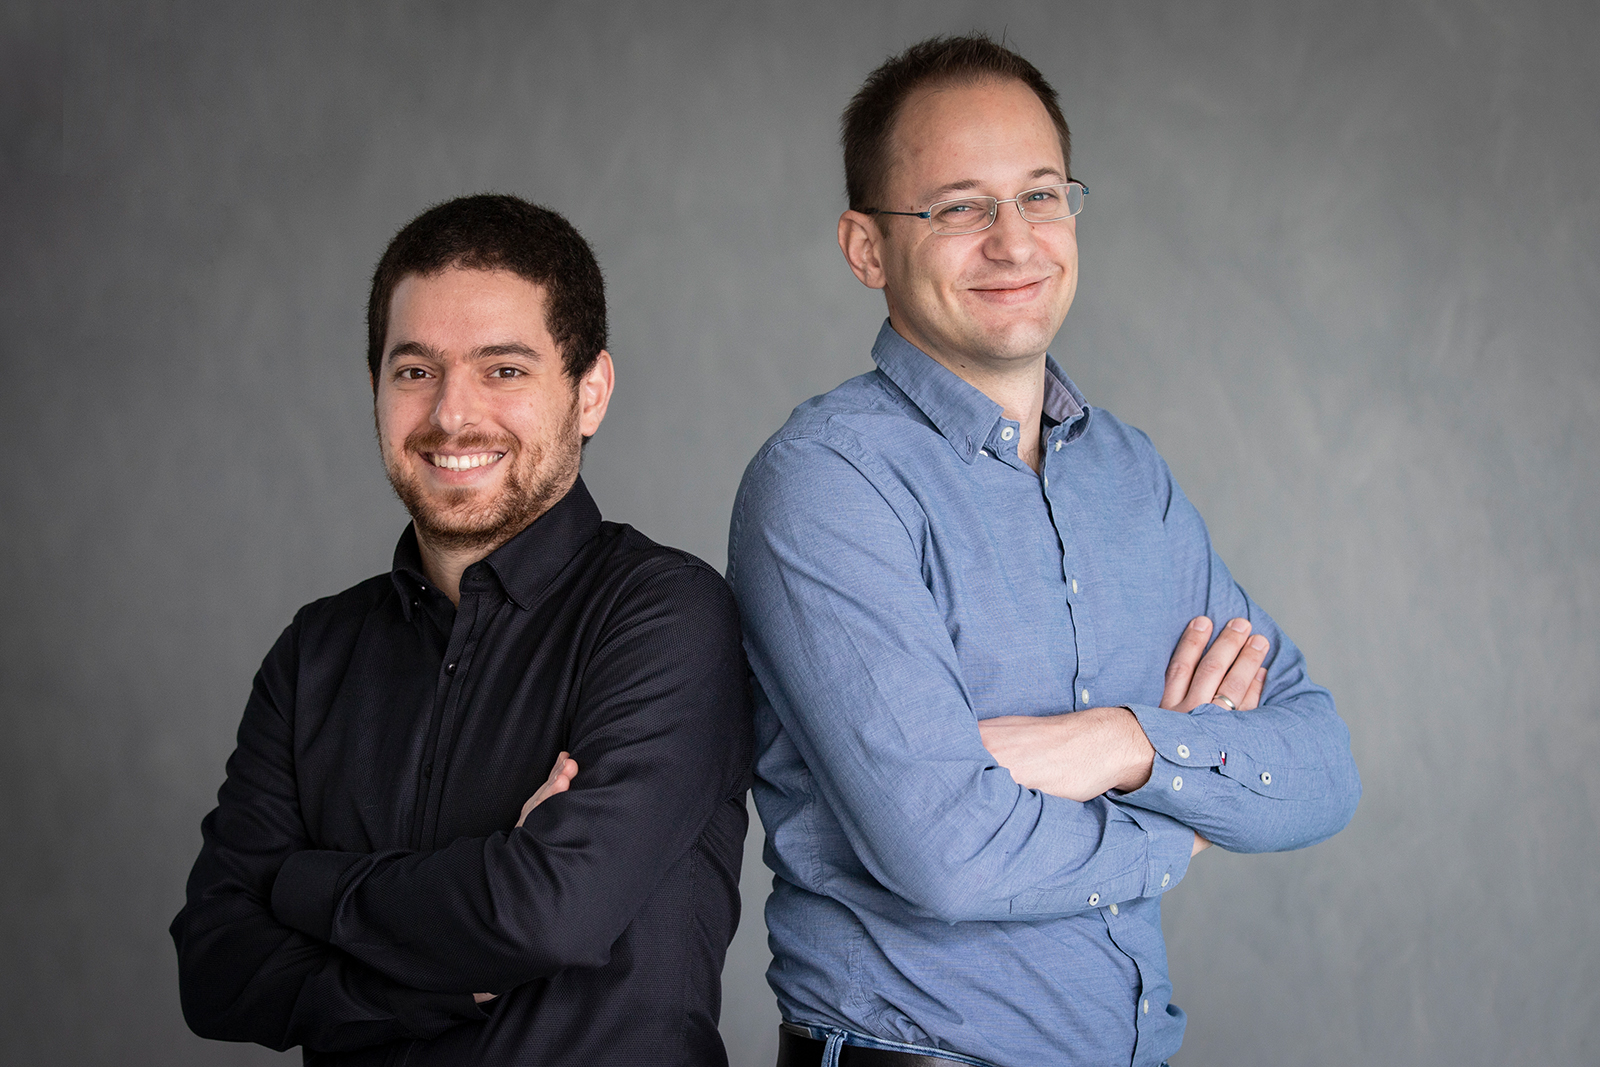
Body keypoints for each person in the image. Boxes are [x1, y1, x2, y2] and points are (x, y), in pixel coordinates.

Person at [727, 35, 1360, 1067]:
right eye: (959, 207)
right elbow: (948, 853)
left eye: (1040, 196)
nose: (1014, 243)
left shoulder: (1129, 475)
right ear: (866, 248)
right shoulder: (826, 483)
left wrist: (1121, 742)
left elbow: (1322, 765)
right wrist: (1188, 815)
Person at [171, 194, 752, 1066]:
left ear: (590, 392)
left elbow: (545, 914)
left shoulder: (666, 617)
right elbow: (214, 966)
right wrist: (446, 969)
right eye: (415, 371)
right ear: (375, 390)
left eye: (504, 369)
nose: (451, 415)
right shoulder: (314, 653)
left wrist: (302, 883)